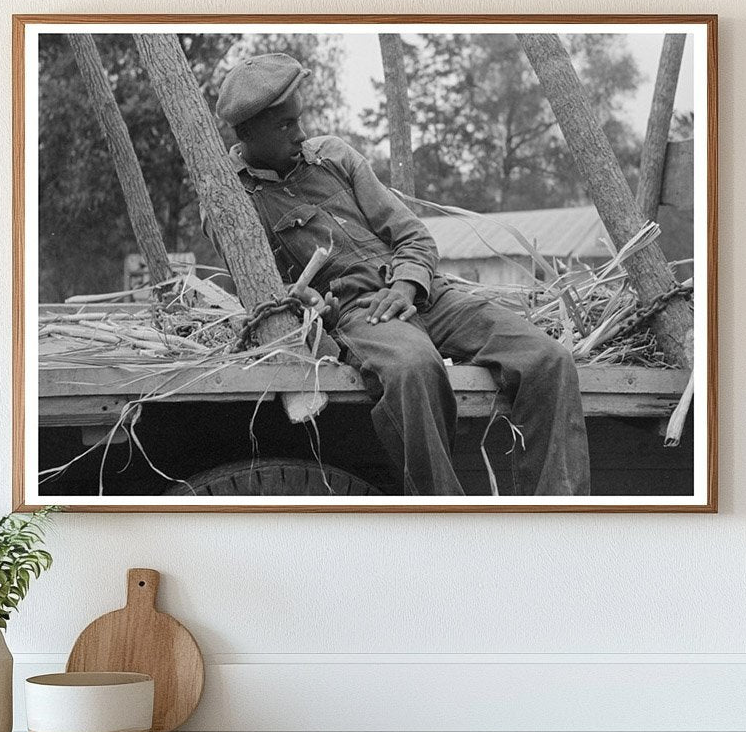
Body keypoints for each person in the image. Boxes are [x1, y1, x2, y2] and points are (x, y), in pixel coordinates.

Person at [212, 52, 590, 496]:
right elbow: (261, 292)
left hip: (424, 292)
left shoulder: (334, 156)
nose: (300, 133)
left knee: (547, 359)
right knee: (414, 370)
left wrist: (407, 284)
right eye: (285, 126)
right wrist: (308, 306)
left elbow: (413, 235)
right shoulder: (231, 200)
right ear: (247, 133)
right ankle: (442, 517)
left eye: (299, 120)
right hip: (361, 314)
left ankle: (555, 517)